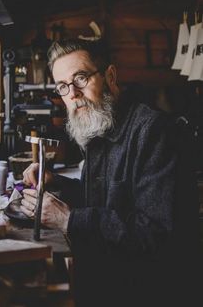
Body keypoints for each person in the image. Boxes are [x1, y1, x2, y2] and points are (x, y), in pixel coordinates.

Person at [20, 39, 199, 306]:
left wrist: (69, 220)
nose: (73, 94)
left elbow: (152, 233)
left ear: (110, 76)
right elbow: (104, 200)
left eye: (80, 78)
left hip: (146, 291)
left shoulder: (153, 132)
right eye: (63, 86)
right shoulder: (99, 129)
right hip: (108, 280)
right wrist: (54, 181)